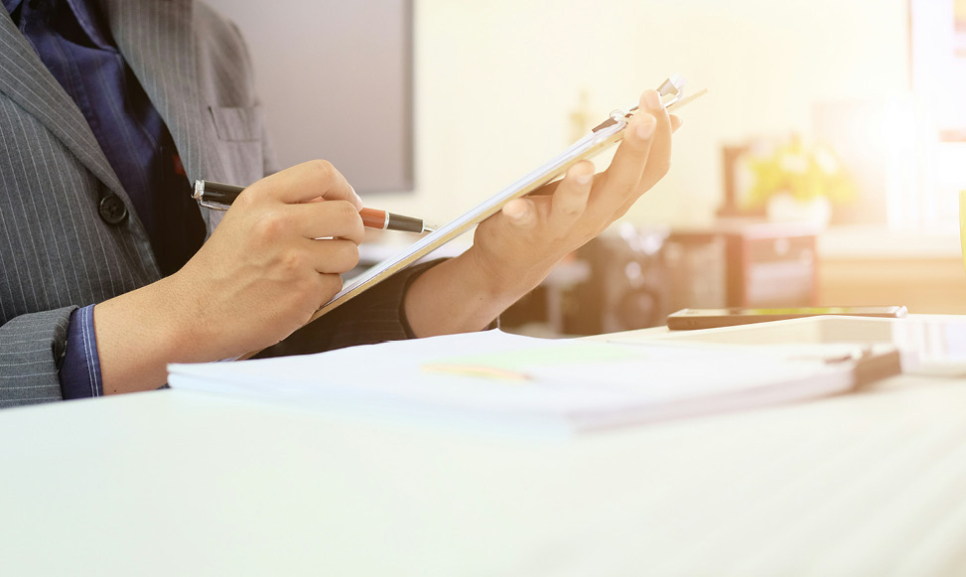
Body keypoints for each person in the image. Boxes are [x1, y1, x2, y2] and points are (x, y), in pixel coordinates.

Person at [0, 0, 680, 407]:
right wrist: (186, 315)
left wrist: (490, 274)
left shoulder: (206, 39)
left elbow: (277, 335)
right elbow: (213, 312)